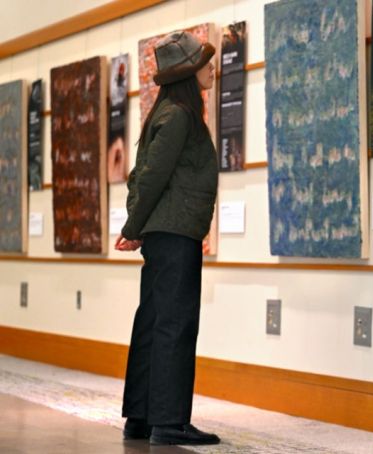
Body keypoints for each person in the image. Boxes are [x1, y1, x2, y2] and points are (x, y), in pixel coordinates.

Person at [115, 30, 220, 446]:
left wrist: (138, 225)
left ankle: (141, 417)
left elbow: (144, 175)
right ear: (189, 74)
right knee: (175, 324)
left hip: (166, 232)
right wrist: (131, 227)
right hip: (175, 234)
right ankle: (170, 421)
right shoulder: (179, 115)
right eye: (205, 64)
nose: (212, 69)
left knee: (154, 320)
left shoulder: (166, 113)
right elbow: (153, 175)